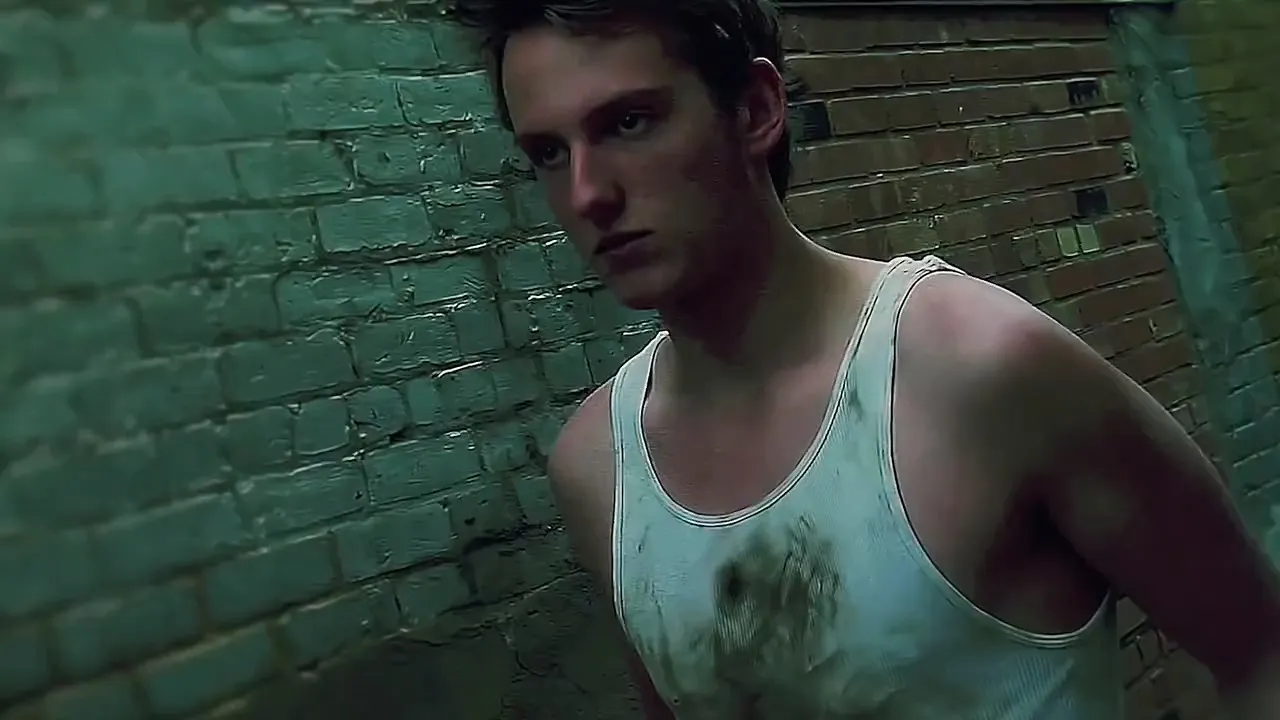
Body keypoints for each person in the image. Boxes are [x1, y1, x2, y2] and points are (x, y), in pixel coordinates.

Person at [441, 1, 1280, 717]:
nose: (587, 192)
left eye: (629, 123)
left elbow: (1258, 650)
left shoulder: (977, 370)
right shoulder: (598, 469)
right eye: (548, 153)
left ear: (756, 110)